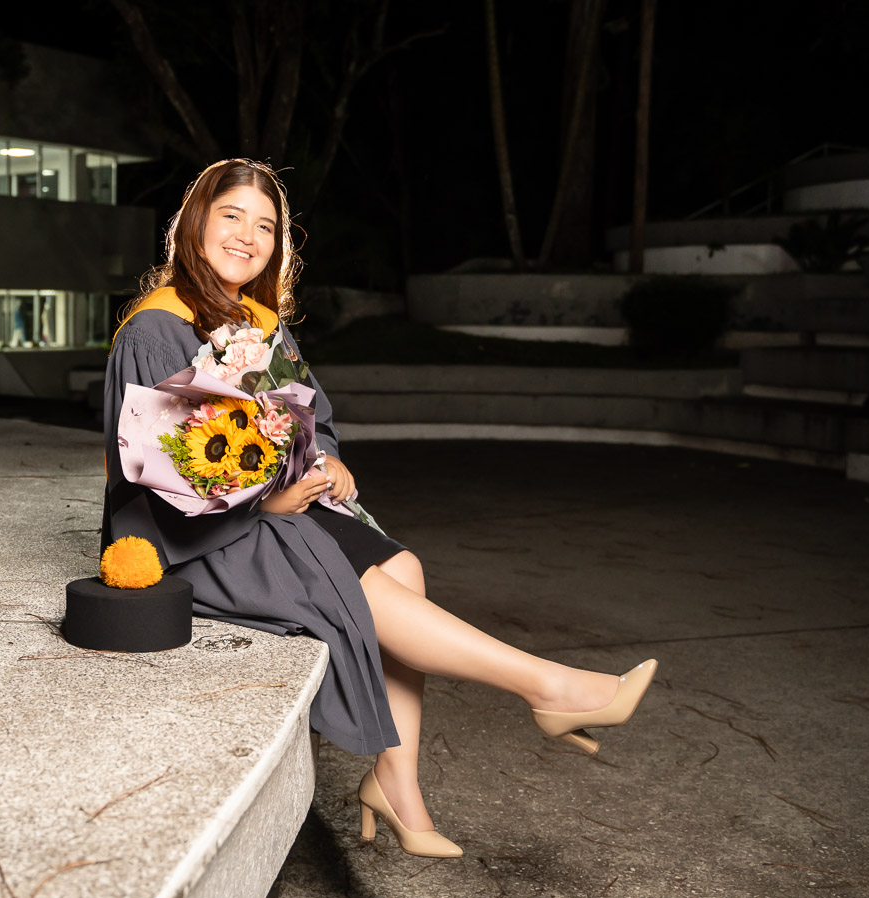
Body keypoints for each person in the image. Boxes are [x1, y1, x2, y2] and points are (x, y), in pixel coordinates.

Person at [102, 159, 657, 859]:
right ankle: (546, 684)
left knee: (404, 564)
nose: (249, 236)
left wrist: (325, 459)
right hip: (190, 535)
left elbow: (309, 422)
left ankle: (396, 786)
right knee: (349, 579)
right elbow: (161, 470)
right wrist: (271, 497)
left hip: (277, 507)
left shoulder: (257, 324)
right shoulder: (157, 329)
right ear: (194, 225)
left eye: (266, 226)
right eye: (232, 217)